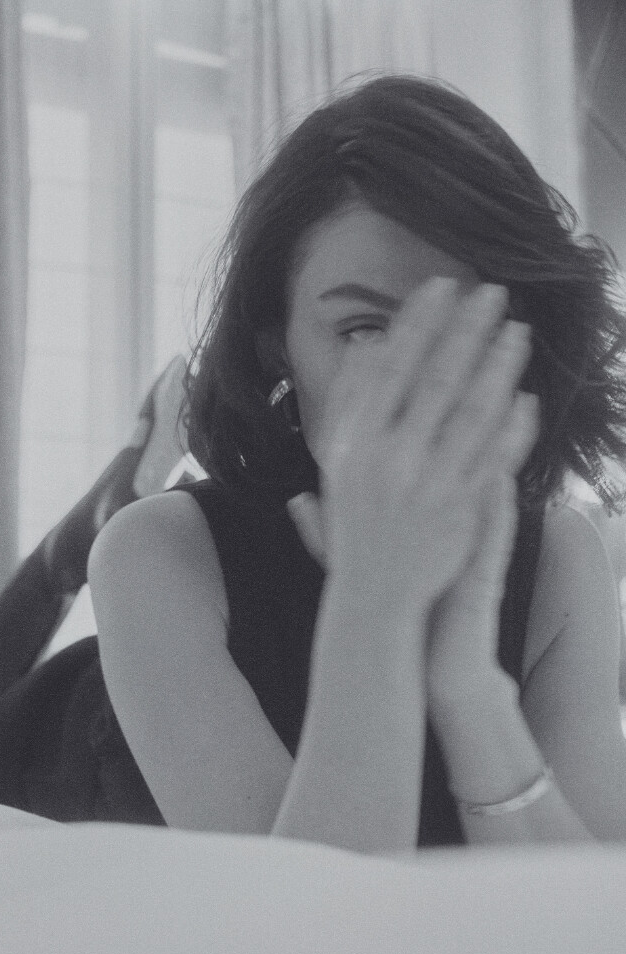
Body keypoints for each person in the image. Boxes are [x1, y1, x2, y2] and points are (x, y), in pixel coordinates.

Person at [88, 73, 626, 853]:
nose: (417, 378)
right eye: (365, 329)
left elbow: (587, 900)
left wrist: (470, 690)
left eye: (463, 325)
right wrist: (377, 603)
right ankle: (75, 538)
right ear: (278, 346)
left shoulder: (558, 558)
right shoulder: (157, 553)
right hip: (61, 739)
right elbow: (312, 915)